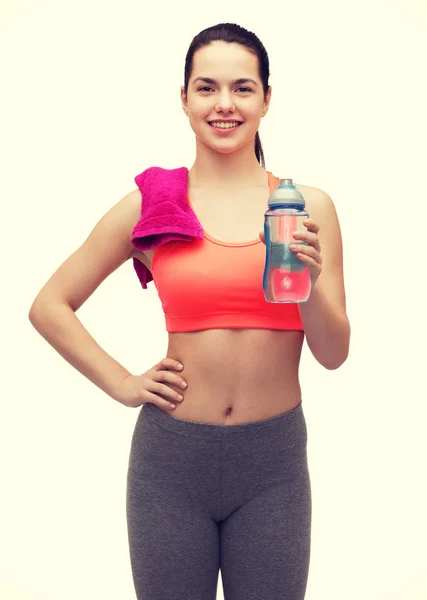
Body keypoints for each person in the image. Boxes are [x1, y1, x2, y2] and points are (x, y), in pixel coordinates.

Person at [29, 22, 350, 600]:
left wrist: (313, 283)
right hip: (170, 465)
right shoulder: (153, 206)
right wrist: (123, 383)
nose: (224, 104)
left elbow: (332, 354)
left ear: (267, 99)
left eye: (243, 88)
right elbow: (50, 305)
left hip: (272, 465)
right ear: (184, 99)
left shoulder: (306, 208)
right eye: (206, 88)